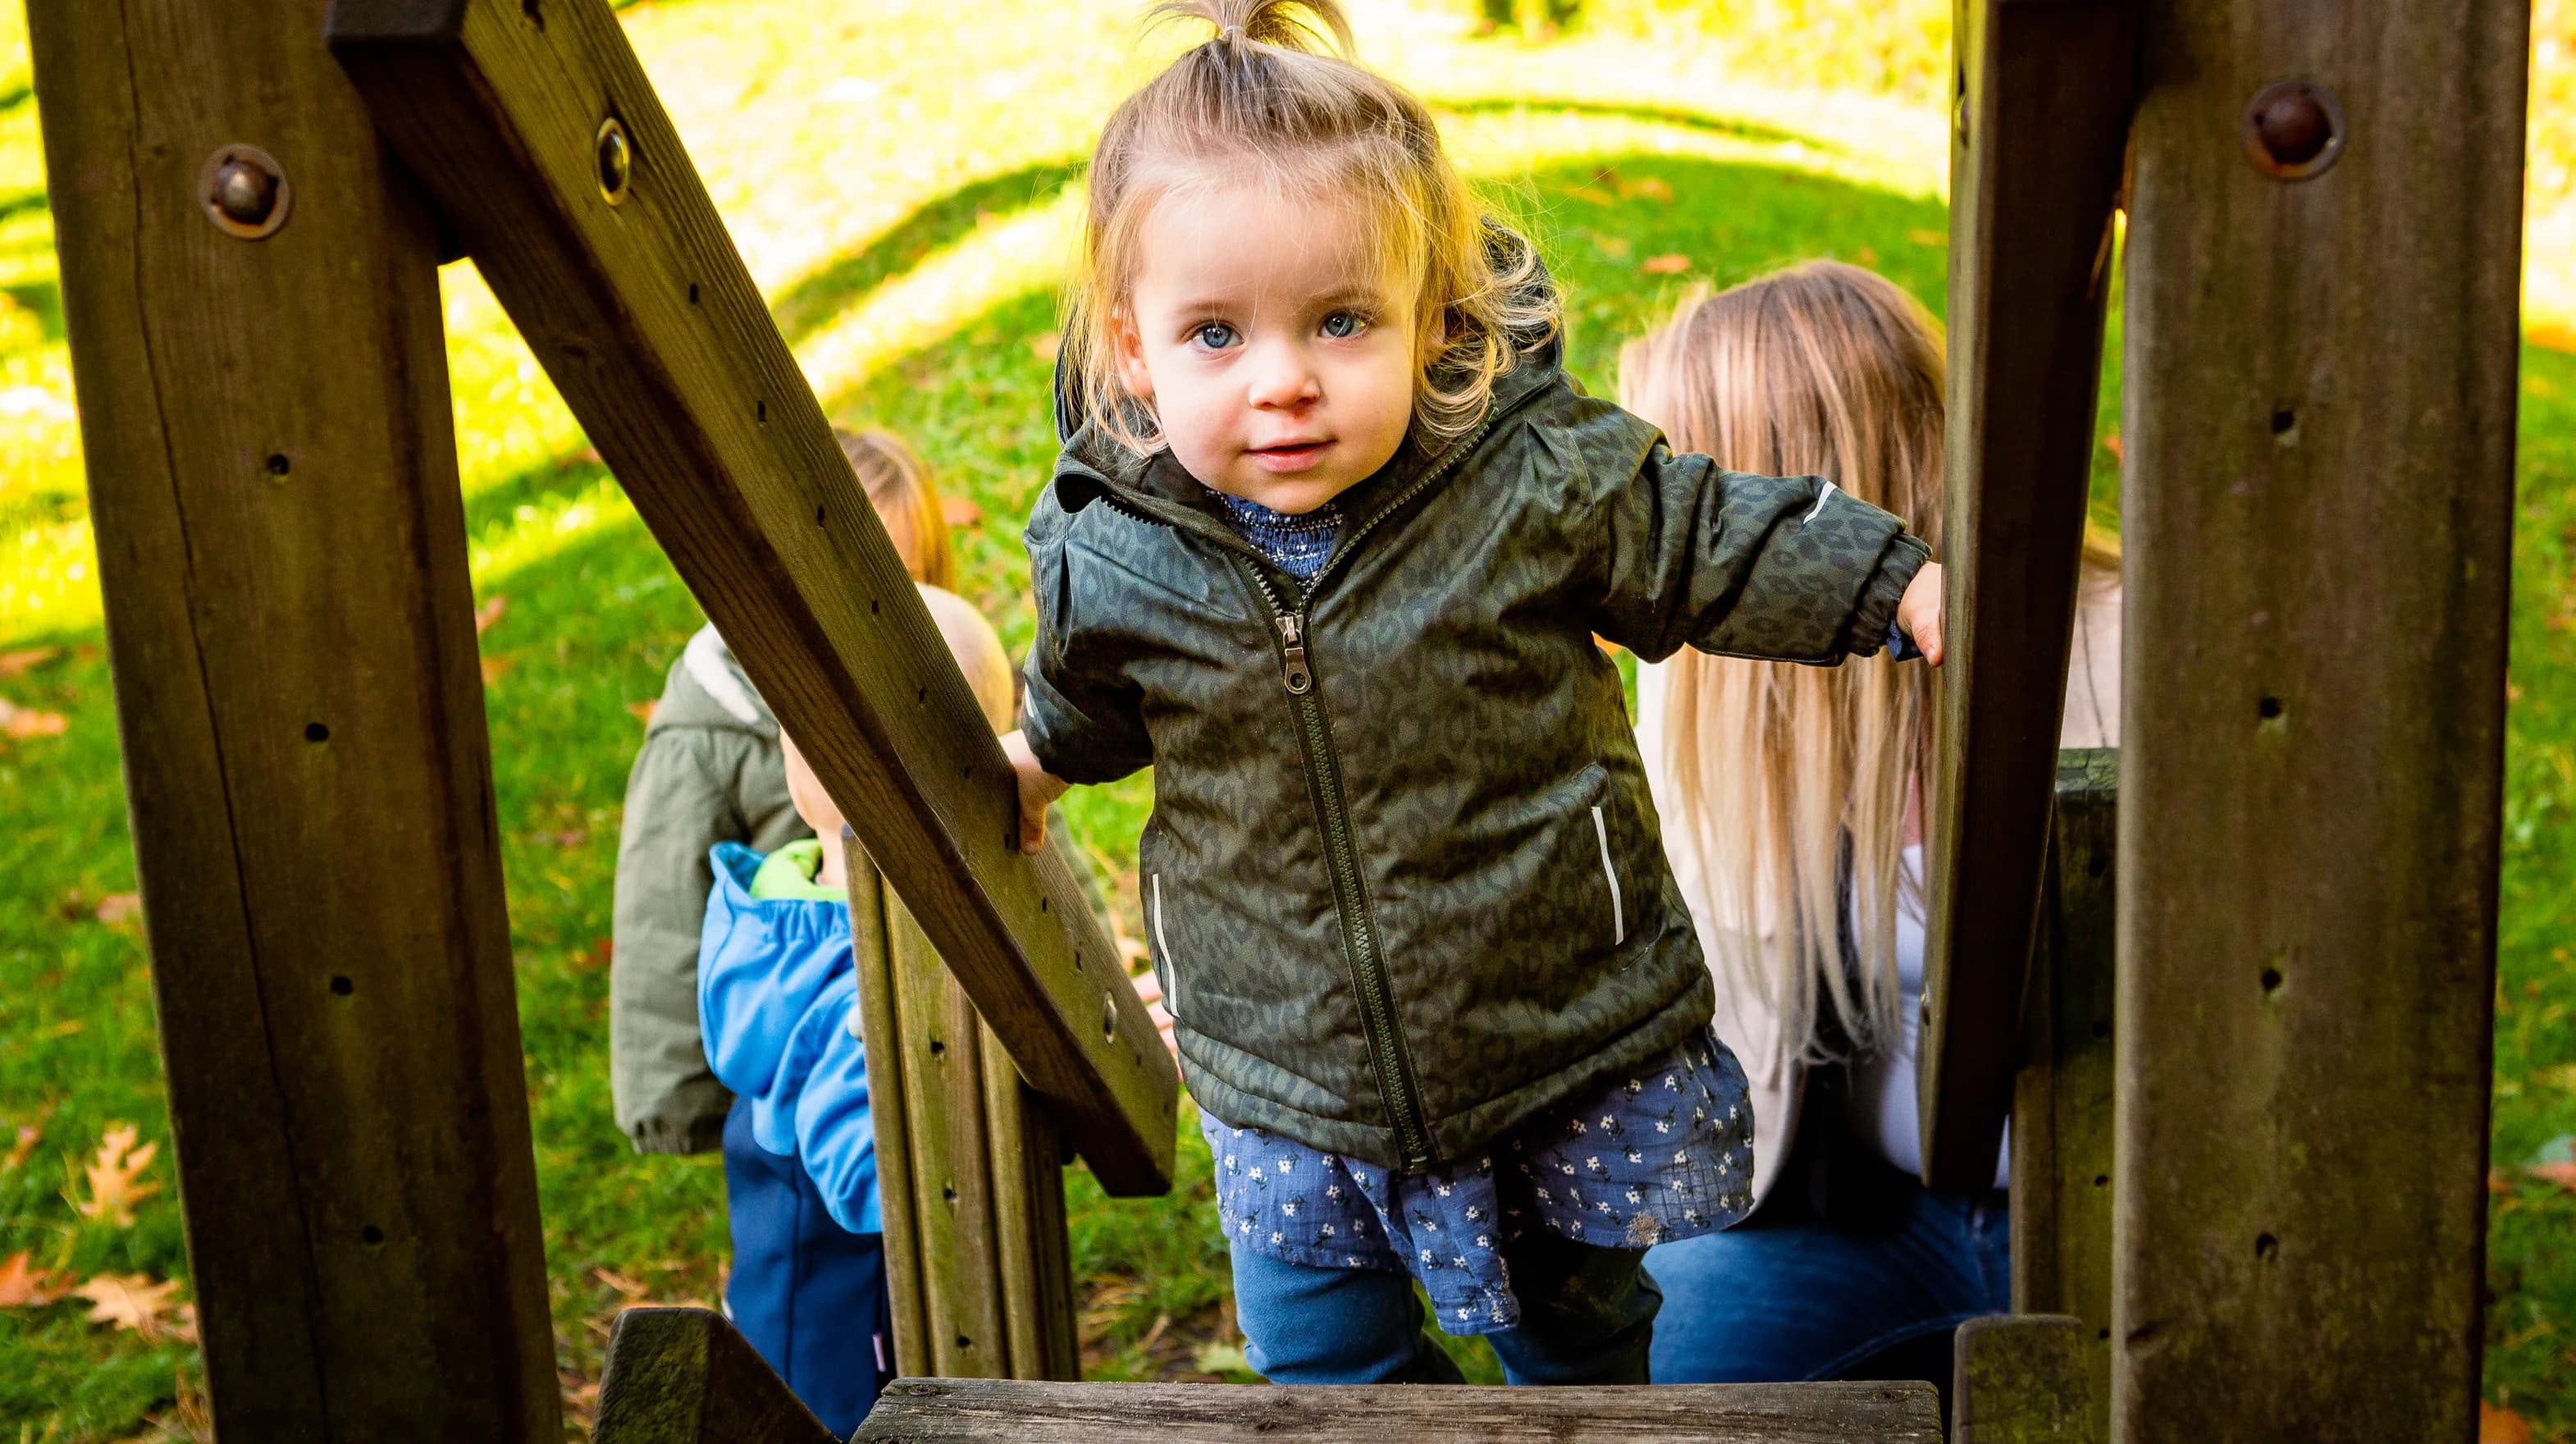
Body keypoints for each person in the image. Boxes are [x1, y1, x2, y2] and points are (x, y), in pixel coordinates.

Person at [1001, 0, 1946, 1387]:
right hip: (1290, 1075)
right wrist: (1030, 760)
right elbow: (1087, 699)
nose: (1283, 384)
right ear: (1132, 352)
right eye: (1215, 336)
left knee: (1574, 1343)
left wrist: (1894, 583)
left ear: (1432, 319)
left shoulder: (1521, 481)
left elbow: (1700, 535)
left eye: (1338, 322)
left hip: (1547, 1045)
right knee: (1322, 1359)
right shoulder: (1117, 551)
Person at [1618, 261, 2121, 1387]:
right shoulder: (1699, 690)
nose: (1640, 538)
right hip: (1849, 1220)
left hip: (2121, 1217)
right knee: (1663, 1375)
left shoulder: (2126, 656)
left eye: (1669, 500)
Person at [697, 582, 1016, 1433]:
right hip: (857, 1335)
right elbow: (870, 1181)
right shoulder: (863, 969)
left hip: (782, 1288)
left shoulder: (775, 901)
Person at [611, 427, 956, 1157]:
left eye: (893, 592)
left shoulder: (940, 700)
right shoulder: (709, 738)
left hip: (937, 1038)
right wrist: (676, 1099)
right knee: (810, 1256)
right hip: (789, 1077)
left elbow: (1026, 841)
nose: (862, 623)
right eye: (838, 591)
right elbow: (662, 916)